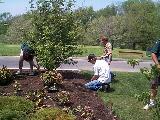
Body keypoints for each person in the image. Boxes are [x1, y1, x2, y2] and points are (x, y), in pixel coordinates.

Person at [143, 40, 160, 110]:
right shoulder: (159, 42)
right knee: (154, 84)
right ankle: (151, 102)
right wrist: (157, 64)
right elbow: (153, 54)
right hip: (158, 67)